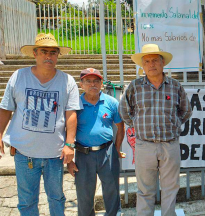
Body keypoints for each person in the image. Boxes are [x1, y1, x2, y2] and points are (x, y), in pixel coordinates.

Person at [0, 33, 79, 215]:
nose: (48, 56)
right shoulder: (19, 76)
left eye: (53, 52)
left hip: (55, 154)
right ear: (35, 54)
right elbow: (5, 109)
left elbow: (71, 114)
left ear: (58, 55)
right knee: (27, 202)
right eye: (44, 51)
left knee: (57, 198)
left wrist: (69, 144)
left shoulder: (67, 81)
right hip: (24, 153)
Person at [119, 44, 192, 216]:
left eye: (155, 60)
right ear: (142, 66)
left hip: (170, 145)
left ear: (162, 63)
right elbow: (123, 110)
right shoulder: (135, 86)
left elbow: (186, 110)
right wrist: (136, 125)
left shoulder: (175, 86)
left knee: (170, 188)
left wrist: (174, 124)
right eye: (147, 61)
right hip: (145, 146)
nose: (151, 64)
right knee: (145, 190)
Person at [67, 68, 125, 216]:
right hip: (83, 154)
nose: (93, 84)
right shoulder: (75, 104)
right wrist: (70, 160)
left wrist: (117, 149)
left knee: (112, 191)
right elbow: (67, 131)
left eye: (96, 81)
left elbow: (120, 127)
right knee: (84, 194)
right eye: (88, 81)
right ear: (81, 84)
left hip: (107, 152)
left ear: (101, 84)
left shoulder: (111, 102)